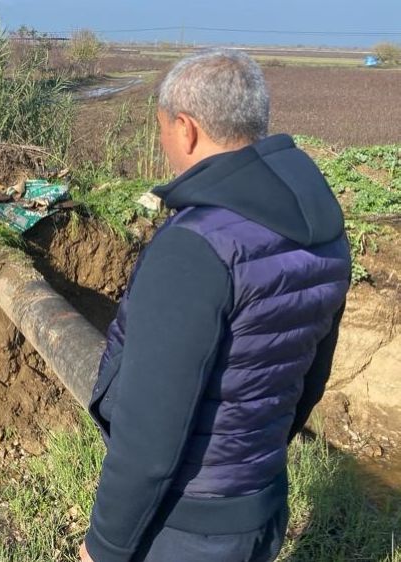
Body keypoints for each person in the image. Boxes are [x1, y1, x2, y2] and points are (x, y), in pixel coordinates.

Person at [80, 49, 351, 562]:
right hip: (260, 503)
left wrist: (104, 547)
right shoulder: (322, 227)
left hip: (187, 527)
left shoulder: (196, 246)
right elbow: (310, 378)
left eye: (162, 128)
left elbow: (150, 437)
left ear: (185, 128)